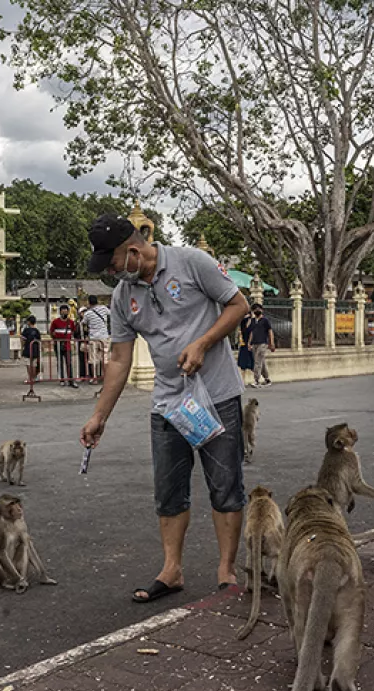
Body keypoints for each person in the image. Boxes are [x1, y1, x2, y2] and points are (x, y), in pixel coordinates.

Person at [79, 213, 250, 603]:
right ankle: (171, 570)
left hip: (217, 396)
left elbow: (238, 305)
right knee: (169, 492)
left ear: (134, 251)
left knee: (225, 486)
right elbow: (120, 360)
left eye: (112, 263)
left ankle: (226, 569)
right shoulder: (124, 296)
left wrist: (203, 343)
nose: (110, 272)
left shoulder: (192, 262)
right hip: (170, 405)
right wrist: (99, 416)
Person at [81, 295, 111, 384]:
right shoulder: (104, 308)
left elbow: (83, 323)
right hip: (104, 337)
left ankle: (94, 378)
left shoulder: (88, 313)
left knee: (93, 359)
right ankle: (106, 377)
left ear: (89, 302)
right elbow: (111, 314)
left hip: (93, 338)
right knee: (105, 358)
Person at [50, 303, 79, 388]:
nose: (64, 313)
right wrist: (55, 339)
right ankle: (62, 379)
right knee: (60, 363)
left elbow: (73, 332)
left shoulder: (71, 322)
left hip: (67, 345)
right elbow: (51, 332)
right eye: (63, 312)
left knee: (69, 362)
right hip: (58, 345)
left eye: (66, 312)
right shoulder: (55, 322)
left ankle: (71, 380)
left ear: (68, 312)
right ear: (60, 312)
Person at [247, 303, 275, 388]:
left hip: (262, 343)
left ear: (262, 310)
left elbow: (270, 331)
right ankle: (267, 379)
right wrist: (249, 342)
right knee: (261, 362)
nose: (257, 311)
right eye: (255, 309)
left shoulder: (265, 320)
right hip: (255, 343)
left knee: (257, 361)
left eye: (258, 309)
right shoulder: (253, 321)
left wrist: (271, 343)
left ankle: (256, 380)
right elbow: (251, 332)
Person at [21, 315, 42, 384]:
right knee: (34, 364)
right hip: (35, 350)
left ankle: (30, 378)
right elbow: (39, 340)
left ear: (29, 322)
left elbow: (23, 340)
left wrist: (22, 347)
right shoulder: (37, 331)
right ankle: (34, 378)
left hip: (28, 349)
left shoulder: (26, 330)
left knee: (28, 364)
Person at [237, 309, 255, 381]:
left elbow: (252, 333)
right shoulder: (243, 322)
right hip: (244, 344)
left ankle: (255, 379)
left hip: (248, 344)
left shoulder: (251, 322)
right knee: (244, 364)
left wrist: (249, 343)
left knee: (251, 363)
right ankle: (243, 380)